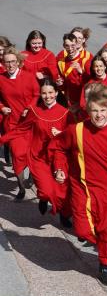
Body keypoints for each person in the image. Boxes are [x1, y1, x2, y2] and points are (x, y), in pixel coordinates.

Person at [51, 83, 107, 286]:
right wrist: (60, 169)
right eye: (94, 110)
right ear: (87, 111)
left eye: (103, 110)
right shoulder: (75, 131)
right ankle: (102, 246)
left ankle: (103, 266)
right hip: (82, 188)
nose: (99, 115)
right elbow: (58, 148)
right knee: (83, 231)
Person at [0, 80, 72, 225]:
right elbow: (21, 129)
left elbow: (73, 135)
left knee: (63, 189)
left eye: (51, 92)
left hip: (59, 156)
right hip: (39, 157)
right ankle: (44, 198)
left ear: (57, 93)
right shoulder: (35, 111)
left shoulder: (65, 113)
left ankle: (64, 215)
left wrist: (61, 133)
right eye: (44, 93)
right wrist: (2, 139)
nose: (47, 96)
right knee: (46, 190)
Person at [0, 47, 40, 199]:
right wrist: (2, 107)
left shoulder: (29, 77)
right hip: (13, 123)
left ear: (18, 62)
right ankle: (21, 188)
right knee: (17, 154)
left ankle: (32, 177)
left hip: (30, 121)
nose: (10, 65)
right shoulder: (1, 78)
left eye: (12, 61)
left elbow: (37, 95)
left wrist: (29, 107)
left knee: (32, 153)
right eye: (6, 62)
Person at [57, 33, 92, 110]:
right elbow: (63, 86)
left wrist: (81, 72)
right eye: (67, 46)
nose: (70, 48)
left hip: (85, 102)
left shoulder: (86, 60)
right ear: (64, 46)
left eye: (73, 45)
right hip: (69, 103)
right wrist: (60, 84)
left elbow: (93, 82)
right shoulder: (61, 63)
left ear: (77, 44)